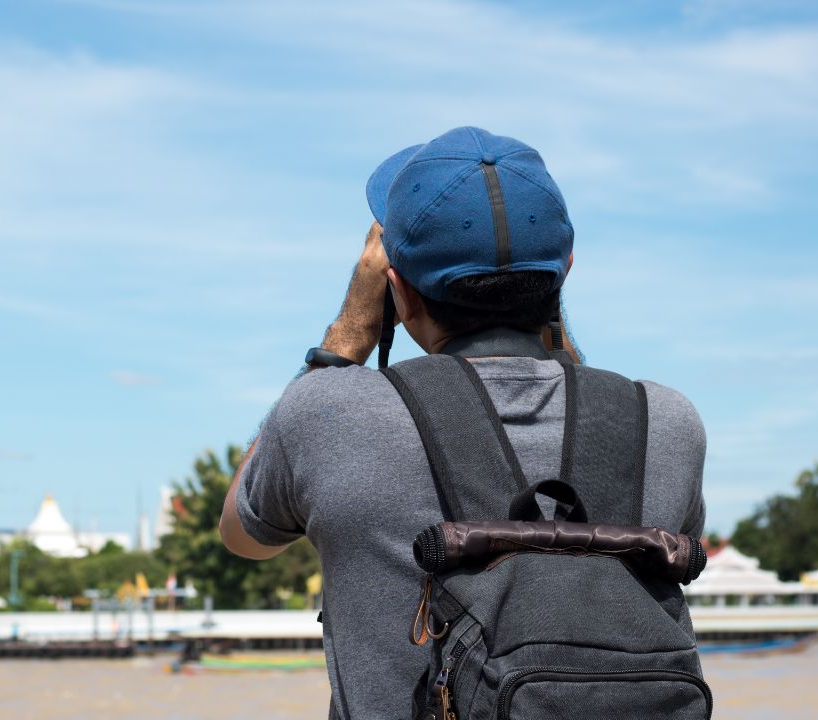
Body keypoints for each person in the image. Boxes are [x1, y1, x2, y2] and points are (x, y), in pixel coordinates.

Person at [219, 126, 706, 719]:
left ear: (395, 288)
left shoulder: (328, 413)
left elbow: (243, 535)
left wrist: (346, 338)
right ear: (564, 271)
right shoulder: (667, 422)